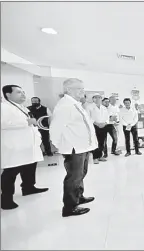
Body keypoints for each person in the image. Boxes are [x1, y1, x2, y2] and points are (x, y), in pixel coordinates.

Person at [50, 78, 96, 217]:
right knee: (74, 177)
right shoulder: (65, 105)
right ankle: (69, 207)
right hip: (74, 147)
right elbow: (55, 128)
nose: (83, 91)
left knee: (81, 174)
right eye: (79, 89)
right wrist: (60, 145)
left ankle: (79, 196)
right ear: (68, 90)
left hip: (82, 146)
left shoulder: (75, 104)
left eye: (83, 88)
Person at [1, 85, 49, 210]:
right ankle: (6, 199)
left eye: (23, 92)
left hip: (28, 144)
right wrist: (26, 122)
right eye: (18, 92)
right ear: (8, 95)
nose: (23, 94)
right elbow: (4, 123)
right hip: (15, 145)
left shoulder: (21, 107)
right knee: (11, 172)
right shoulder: (4, 108)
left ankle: (28, 187)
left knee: (30, 166)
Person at [86, 93, 108, 164]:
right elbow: (88, 117)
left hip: (104, 126)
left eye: (99, 97)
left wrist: (104, 123)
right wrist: (97, 123)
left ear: (101, 99)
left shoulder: (104, 108)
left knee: (102, 142)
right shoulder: (89, 107)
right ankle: (95, 157)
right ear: (93, 99)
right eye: (96, 97)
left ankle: (100, 156)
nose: (98, 99)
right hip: (94, 126)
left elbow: (107, 117)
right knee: (95, 142)